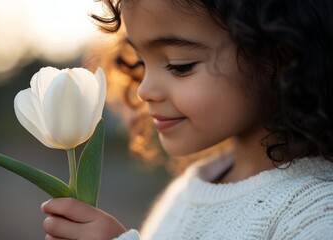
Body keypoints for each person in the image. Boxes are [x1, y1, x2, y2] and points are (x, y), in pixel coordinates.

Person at [40, 0, 333, 239]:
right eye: (141, 61)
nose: (143, 90)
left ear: (282, 52)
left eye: (179, 66)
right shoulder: (189, 188)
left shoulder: (317, 214)